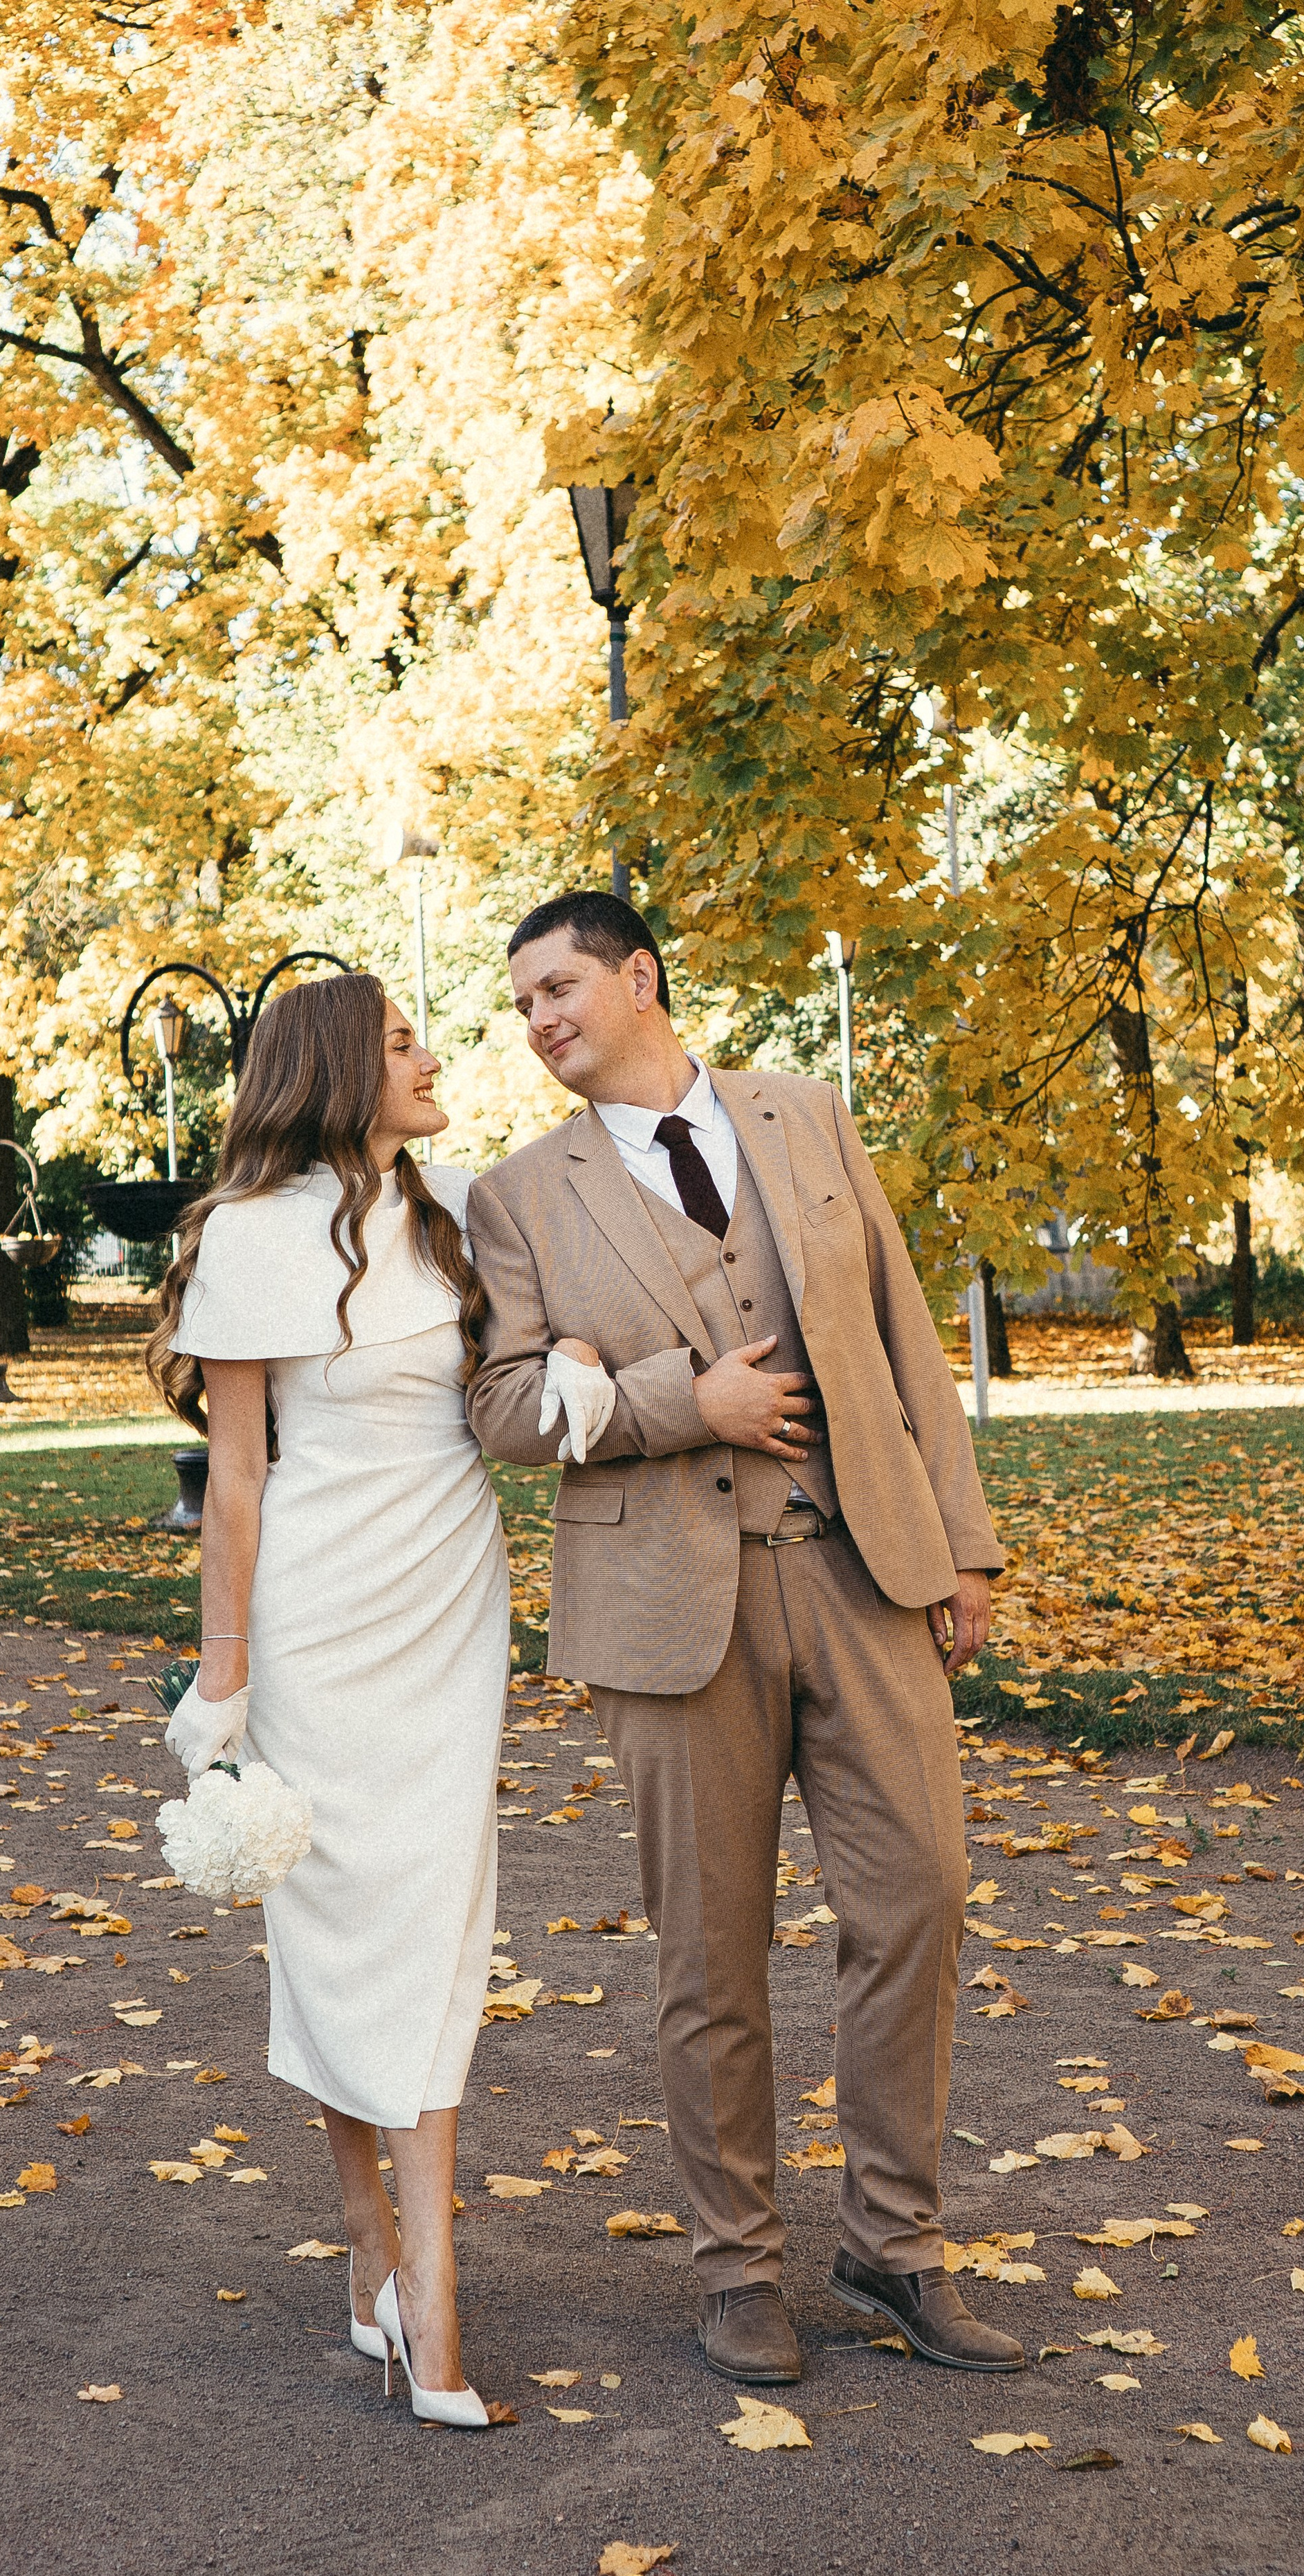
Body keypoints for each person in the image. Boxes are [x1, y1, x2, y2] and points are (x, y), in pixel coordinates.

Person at [467, 892, 1022, 2384]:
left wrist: (962, 1544)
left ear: (639, 976)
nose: (538, 1023)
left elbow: (905, 1336)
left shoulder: (804, 1116)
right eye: (520, 1005)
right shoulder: (520, 1197)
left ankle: (894, 2247)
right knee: (709, 1960)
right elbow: (507, 1410)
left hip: (861, 1570)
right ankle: (736, 2271)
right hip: (666, 1614)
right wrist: (671, 1403)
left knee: (918, 1897)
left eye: (558, 987)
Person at [145, 972, 611, 2428]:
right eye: (402, 1042)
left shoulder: (465, 1204)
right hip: (316, 1616)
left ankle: (411, 2276)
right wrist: (221, 1685)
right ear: (340, 1071)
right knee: (339, 1931)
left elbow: (534, 1363)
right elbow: (235, 1474)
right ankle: (398, 2271)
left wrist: (585, 1378)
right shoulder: (247, 1237)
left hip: (447, 1604)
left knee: (432, 1921)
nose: (429, 1058)